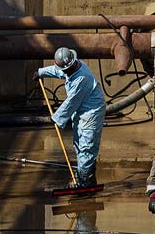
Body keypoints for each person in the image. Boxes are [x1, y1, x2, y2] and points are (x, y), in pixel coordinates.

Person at [36, 47, 105, 187]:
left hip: (91, 113)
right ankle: (88, 179)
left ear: (73, 64)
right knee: (79, 144)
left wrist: (56, 118)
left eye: (67, 69)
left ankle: (84, 183)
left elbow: (71, 102)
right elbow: (59, 71)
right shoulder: (71, 68)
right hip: (82, 110)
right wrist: (40, 72)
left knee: (86, 147)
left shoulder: (81, 78)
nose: (65, 72)